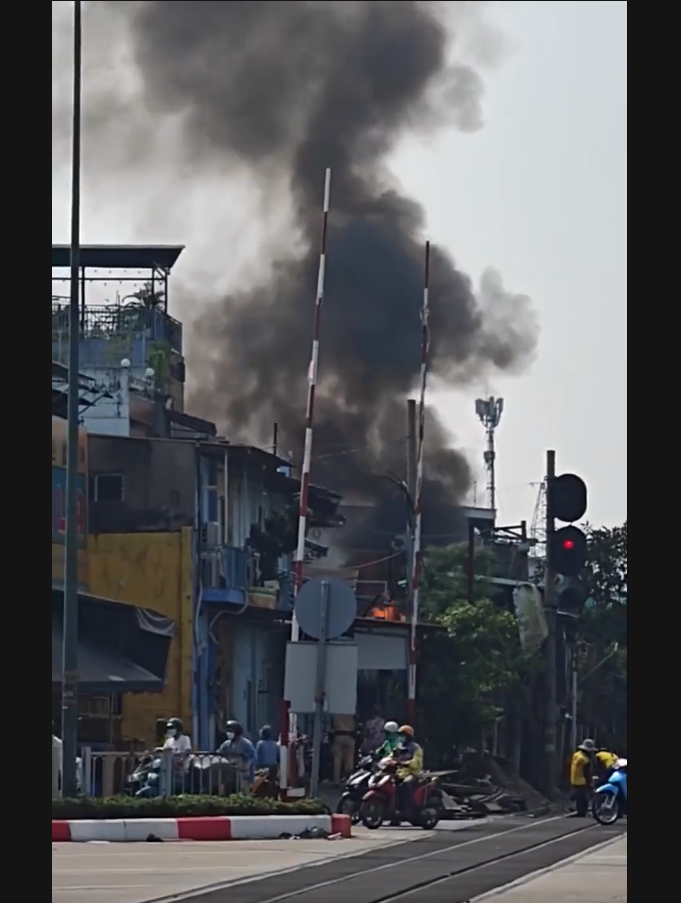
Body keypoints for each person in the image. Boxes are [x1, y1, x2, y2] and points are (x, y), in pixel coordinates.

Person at [393, 725, 424, 816]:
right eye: (400, 735)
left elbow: (417, 762)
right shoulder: (398, 747)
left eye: (403, 735)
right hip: (399, 773)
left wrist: (406, 763)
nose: (401, 737)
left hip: (412, 773)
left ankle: (407, 808)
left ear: (409, 736)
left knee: (406, 784)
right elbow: (391, 756)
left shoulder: (416, 748)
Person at [217, 720, 257, 786]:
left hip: (243, 775)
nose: (229, 733)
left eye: (231, 731)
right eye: (228, 731)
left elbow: (253, 756)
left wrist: (247, 764)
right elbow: (219, 753)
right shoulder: (226, 744)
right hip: (229, 774)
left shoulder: (246, 743)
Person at [569, 738, 595, 817]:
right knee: (583, 798)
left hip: (574, 779)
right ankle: (582, 812)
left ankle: (580, 810)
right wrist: (590, 782)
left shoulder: (576, 755)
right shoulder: (585, 759)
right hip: (582, 781)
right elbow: (586, 772)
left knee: (578, 797)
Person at [332, 712, 356, 785]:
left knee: (337, 760)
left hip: (339, 735)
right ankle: (349, 780)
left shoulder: (336, 713)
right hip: (350, 735)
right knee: (349, 759)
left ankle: (336, 781)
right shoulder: (350, 713)